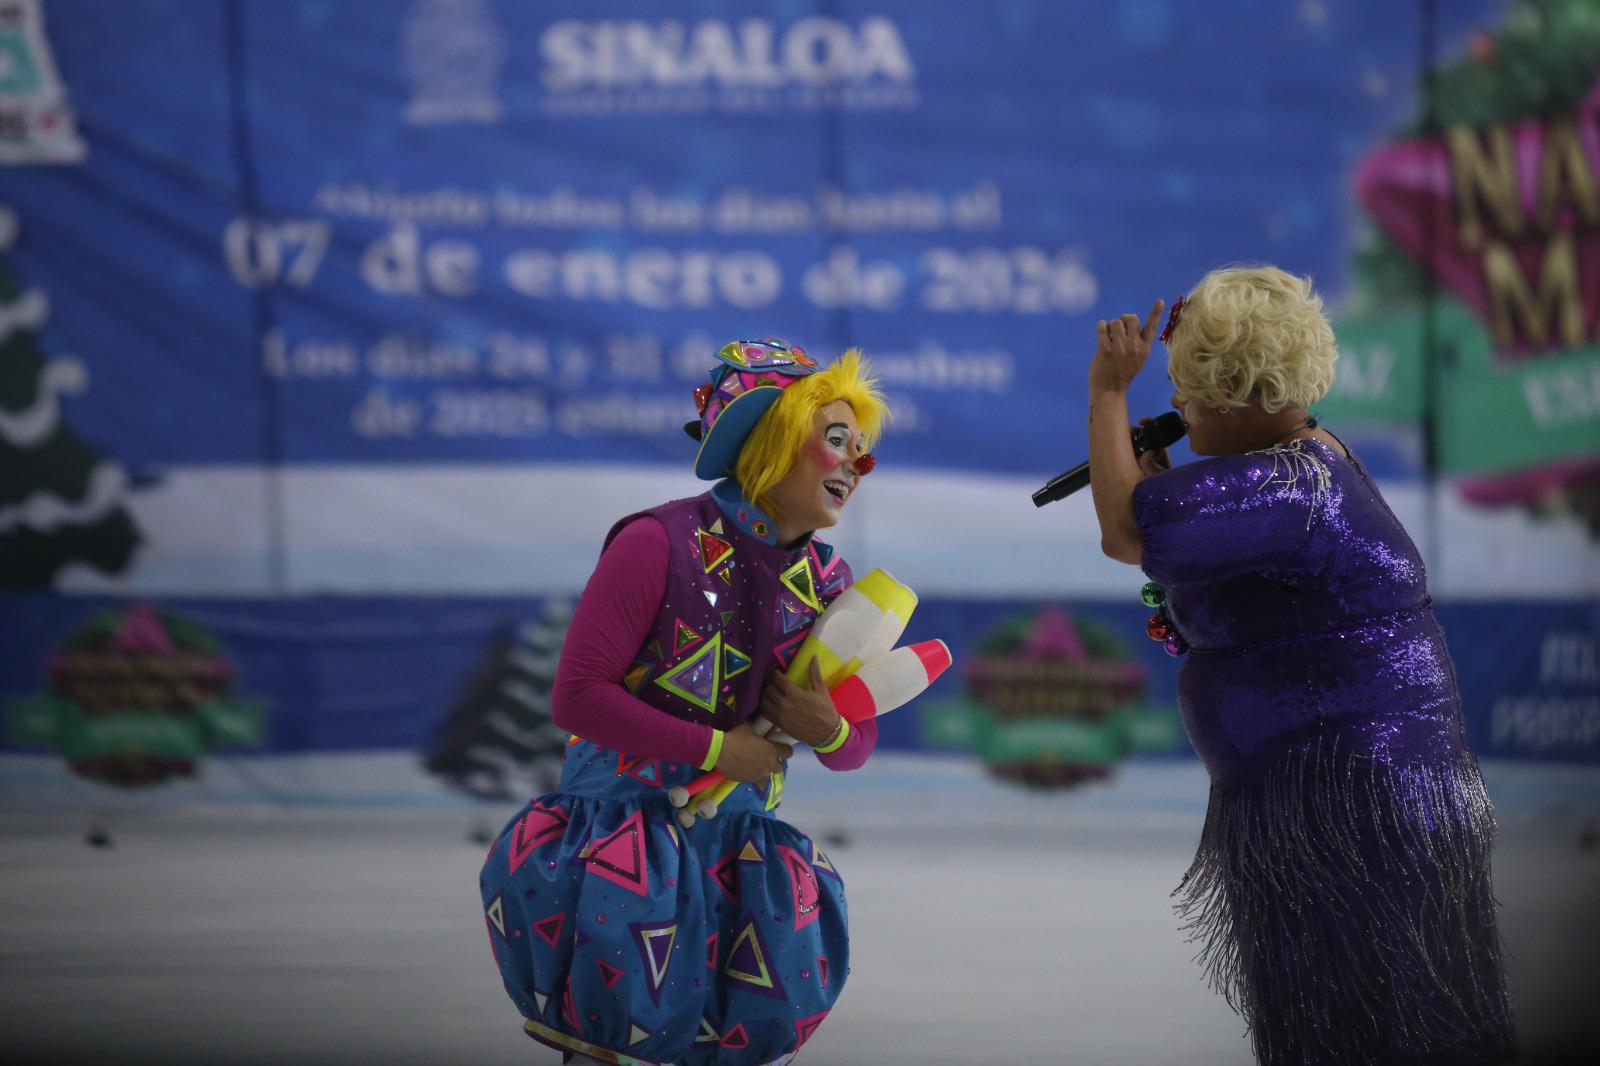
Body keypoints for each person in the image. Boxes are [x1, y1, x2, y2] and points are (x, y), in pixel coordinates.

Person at [1085, 267, 1515, 1065]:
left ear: (1230, 391)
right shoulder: (1298, 472)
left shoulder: (1297, 485)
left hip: (1356, 808)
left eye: (1186, 389)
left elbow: (1124, 531)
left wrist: (1109, 392)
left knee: (1377, 1030)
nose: (1177, 407)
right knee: (1339, 1030)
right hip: (1321, 802)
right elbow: (1175, 544)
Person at [480, 337, 887, 1066]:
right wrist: (718, 749)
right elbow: (577, 697)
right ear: (774, 439)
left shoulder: (829, 581)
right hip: (624, 849)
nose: (859, 464)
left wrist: (828, 729)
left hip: (741, 862)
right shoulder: (655, 542)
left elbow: (856, 746)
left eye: (863, 447)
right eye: (837, 440)